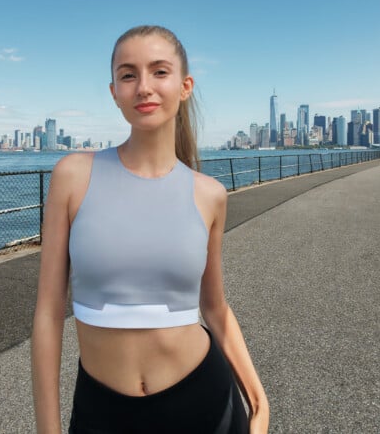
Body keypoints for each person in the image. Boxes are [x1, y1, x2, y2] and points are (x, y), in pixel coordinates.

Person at [31, 25, 269, 433]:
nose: (144, 87)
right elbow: (49, 314)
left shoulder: (209, 194)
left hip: (204, 405)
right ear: (114, 92)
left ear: (184, 86)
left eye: (160, 72)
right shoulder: (73, 175)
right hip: (101, 411)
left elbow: (214, 307)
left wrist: (259, 399)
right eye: (128, 75)